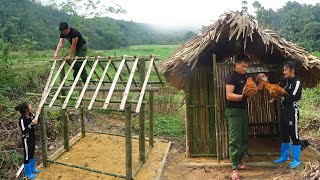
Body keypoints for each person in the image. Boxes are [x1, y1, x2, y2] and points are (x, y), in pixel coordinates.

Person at [225, 54, 252, 180]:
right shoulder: (231, 77)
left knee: (243, 139)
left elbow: (248, 92)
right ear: (236, 64)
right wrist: (243, 97)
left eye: (246, 67)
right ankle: (234, 168)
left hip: (242, 111)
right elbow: (229, 96)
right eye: (243, 66)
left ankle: (239, 163)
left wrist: (259, 86)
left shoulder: (244, 77)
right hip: (233, 111)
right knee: (235, 140)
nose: (245, 69)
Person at [271, 61, 302, 168]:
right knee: (284, 133)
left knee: (294, 134)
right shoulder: (283, 82)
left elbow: (293, 97)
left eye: (285, 70)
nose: (283, 72)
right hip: (284, 110)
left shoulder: (296, 82)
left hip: (292, 111)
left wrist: (282, 94)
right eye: (283, 70)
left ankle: (297, 159)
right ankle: (284, 156)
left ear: (292, 70)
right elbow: (276, 90)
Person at [15, 102, 40, 179]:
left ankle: (32, 169)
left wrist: (38, 115)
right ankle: (28, 173)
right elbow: (24, 130)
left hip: (32, 137)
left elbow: (36, 121)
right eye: (29, 105)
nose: (31, 106)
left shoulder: (31, 115)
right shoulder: (22, 119)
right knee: (27, 156)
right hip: (26, 139)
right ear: (26, 109)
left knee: (32, 153)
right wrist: (31, 123)